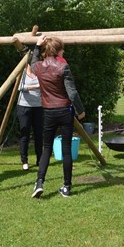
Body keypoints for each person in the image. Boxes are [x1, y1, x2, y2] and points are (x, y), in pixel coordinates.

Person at [30, 35, 85, 198]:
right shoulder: (63, 67)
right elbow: (72, 93)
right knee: (66, 149)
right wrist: (80, 110)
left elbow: (32, 64)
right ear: (57, 50)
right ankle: (67, 187)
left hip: (48, 112)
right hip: (64, 111)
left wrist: (37, 46)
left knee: (47, 148)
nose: (64, 52)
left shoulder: (39, 66)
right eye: (62, 49)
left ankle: (39, 182)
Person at [16, 64, 43, 170]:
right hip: (24, 107)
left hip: (38, 106)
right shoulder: (22, 73)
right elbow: (20, 87)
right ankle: (24, 161)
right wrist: (36, 87)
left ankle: (40, 159)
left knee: (39, 134)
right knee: (24, 134)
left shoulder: (40, 73)